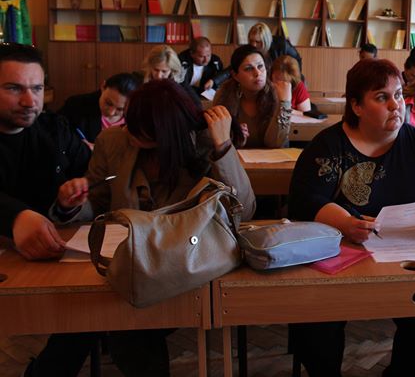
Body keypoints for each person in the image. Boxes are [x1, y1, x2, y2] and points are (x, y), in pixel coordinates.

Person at [53, 79, 256, 377]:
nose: (128, 131)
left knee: (125, 326)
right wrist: (72, 204)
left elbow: (244, 210)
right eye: (129, 122)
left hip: (185, 264)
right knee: (82, 312)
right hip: (125, 262)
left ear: (166, 133)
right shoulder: (113, 142)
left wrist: (224, 146)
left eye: (139, 129)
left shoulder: (205, 145)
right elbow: (96, 202)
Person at [287, 58, 415, 377]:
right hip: (339, 261)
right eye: (381, 97)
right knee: (315, 317)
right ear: (357, 106)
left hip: (406, 261)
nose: (395, 105)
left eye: (398, 95)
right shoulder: (328, 146)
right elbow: (305, 202)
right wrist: (346, 223)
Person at [0, 43, 97, 376]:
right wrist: (15, 216)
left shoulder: (55, 129)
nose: (30, 101)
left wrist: (73, 198)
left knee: (88, 316)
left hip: (53, 265)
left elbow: (92, 174)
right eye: (14, 89)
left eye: (37, 88)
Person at [213, 44, 292, 148]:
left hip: (272, 157)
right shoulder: (224, 96)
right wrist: (235, 139)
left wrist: (284, 103)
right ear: (235, 75)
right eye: (248, 68)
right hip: (237, 157)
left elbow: (275, 144)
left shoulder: (277, 95)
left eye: (260, 66)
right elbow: (216, 143)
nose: (257, 73)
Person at [58, 72, 140, 148]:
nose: (111, 113)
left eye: (120, 109)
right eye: (108, 103)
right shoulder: (76, 105)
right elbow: (57, 133)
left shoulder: (136, 117)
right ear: (103, 87)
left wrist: (99, 150)